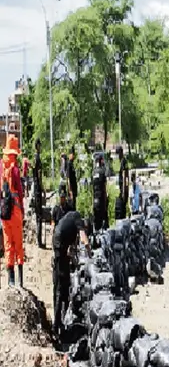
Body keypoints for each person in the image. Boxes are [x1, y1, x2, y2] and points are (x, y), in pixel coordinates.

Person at [51, 203, 89, 344]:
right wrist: (89, 252)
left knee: (63, 283)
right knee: (61, 287)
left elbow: (71, 250)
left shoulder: (70, 220)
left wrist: (74, 257)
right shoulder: (78, 218)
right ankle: (57, 326)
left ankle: (59, 321)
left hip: (58, 243)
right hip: (59, 245)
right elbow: (84, 239)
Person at [1, 136, 26, 287]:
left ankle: (10, 281)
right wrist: (21, 209)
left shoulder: (1, 167)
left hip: (4, 212)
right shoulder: (15, 169)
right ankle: (20, 282)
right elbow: (20, 193)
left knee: (8, 244)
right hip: (15, 212)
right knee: (18, 244)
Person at [31, 140, 45, 248]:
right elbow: (39, 175)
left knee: (37, 215)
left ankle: (38, 240)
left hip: (34, 187)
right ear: (38, 146)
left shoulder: (33, 158)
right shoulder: (38, 158)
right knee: (40, 215)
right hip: (38, 189)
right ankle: (40, 242)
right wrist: (43, 188)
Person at [92, 153, 109, 232]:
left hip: (95, 198)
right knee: (104, 219)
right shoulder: (102, 171)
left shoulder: (93, 172)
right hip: (101, 198)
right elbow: (104, 187)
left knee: (96, 220)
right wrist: (106, 200)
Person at [114, 146, 128, 221]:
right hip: (122, 188)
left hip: (123, 189)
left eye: (118, 153)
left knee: (122, 209)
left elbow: (125, 176)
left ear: (121, 153)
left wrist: (123, 191)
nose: (117, 156)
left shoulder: (123, 161)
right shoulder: (122, 161)